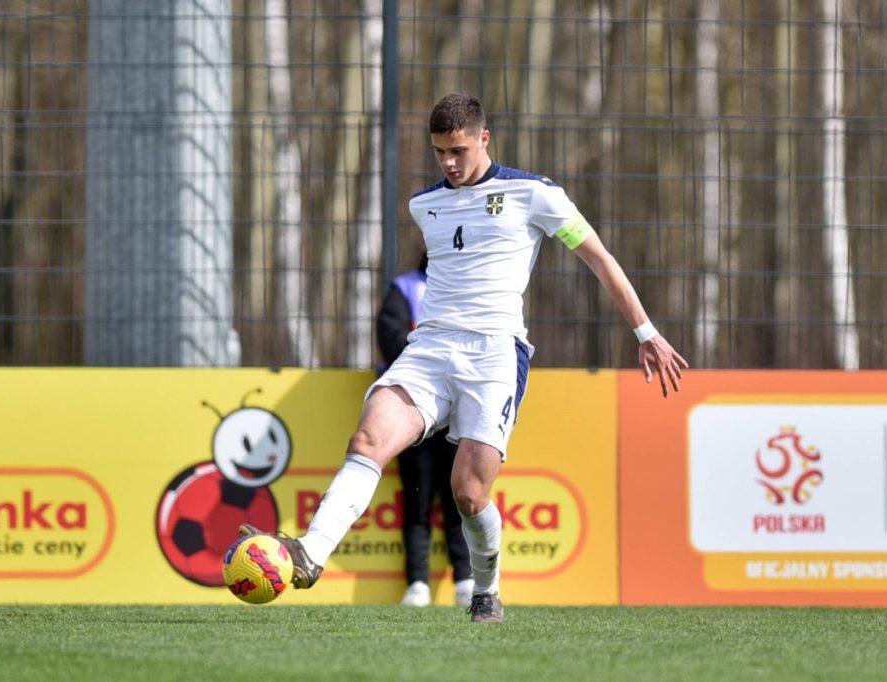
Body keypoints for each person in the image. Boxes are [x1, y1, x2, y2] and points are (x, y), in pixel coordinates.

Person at [240, 92, 688, 623]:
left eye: (457, 150)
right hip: (429, 349)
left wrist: (645, 331)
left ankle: (486, 589)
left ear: (483, 139)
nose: (449, 163)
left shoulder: (533, 194)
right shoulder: (424, 205)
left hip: (495, 354)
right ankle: (310, 554)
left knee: (469, 494)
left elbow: (599, 259)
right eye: (438, 152)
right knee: (367, 439)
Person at [376, 254, 474, 608]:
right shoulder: (405, 288)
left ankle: (465, 578)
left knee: (459, 496)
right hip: (410, 407)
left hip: (457, 407)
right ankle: (417, 583)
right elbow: (390, 337)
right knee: (417, 501)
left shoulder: (467, 288)